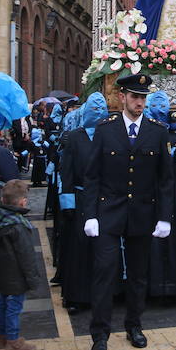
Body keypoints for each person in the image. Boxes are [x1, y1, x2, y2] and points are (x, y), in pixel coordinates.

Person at [82, 75, 174, 350]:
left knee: (138, 275)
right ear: (122, 97)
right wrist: (91, 214)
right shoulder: (105, 129)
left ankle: (134, 325)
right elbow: (92, 175)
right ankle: (100, 334)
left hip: (142, 214)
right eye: (135, 97)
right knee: (104, 274)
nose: (140, 103)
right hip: (109, 211)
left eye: (143, 97)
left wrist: (164, 217)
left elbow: (165, 179)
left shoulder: (157, 131)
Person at [58, 92, 108, 313]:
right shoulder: (75, 137)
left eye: (101, 109)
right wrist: (67, 202)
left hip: (103, 200)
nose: (98, 114)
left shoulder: (109, 135)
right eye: (94, 110)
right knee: (79, 248)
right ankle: (76, 295)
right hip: (79, 198)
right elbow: (66, 171)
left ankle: (104, 293)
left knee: (103, 248)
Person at [144, 91, 176, 299]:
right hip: (150, 192)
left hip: (175, 191)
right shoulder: (144, 130)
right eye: (156, 103)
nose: (161, 107)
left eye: (164, 103)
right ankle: (153, 286)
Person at [0, 180, 41, 350]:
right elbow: (26, 255)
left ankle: (2, 337)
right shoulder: (18, 225)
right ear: (22, 202)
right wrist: (33, 279)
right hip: (16, 274)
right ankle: (13, 341)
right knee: (14, 307)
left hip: (0, 272)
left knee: (2, 303)